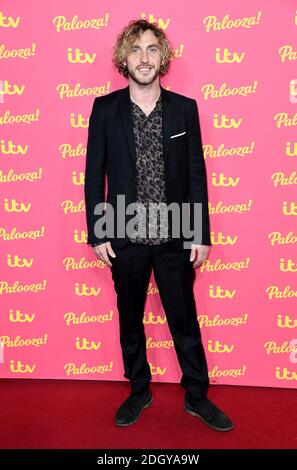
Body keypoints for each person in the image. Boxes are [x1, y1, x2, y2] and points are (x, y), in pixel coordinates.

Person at [84, 19, 233, 432]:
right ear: (123, 58)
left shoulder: (185, 108)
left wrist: (200, 231)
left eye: (152, 49)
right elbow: (94, 175)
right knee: (129, 318)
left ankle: (197, 395)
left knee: (184, 320)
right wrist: (98, 231)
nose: (144, 58)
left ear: (162, 57)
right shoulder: (105, 109)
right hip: (124, 234)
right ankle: (139, 389)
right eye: (136, 50)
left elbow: (197, 174)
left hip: (174, 233)